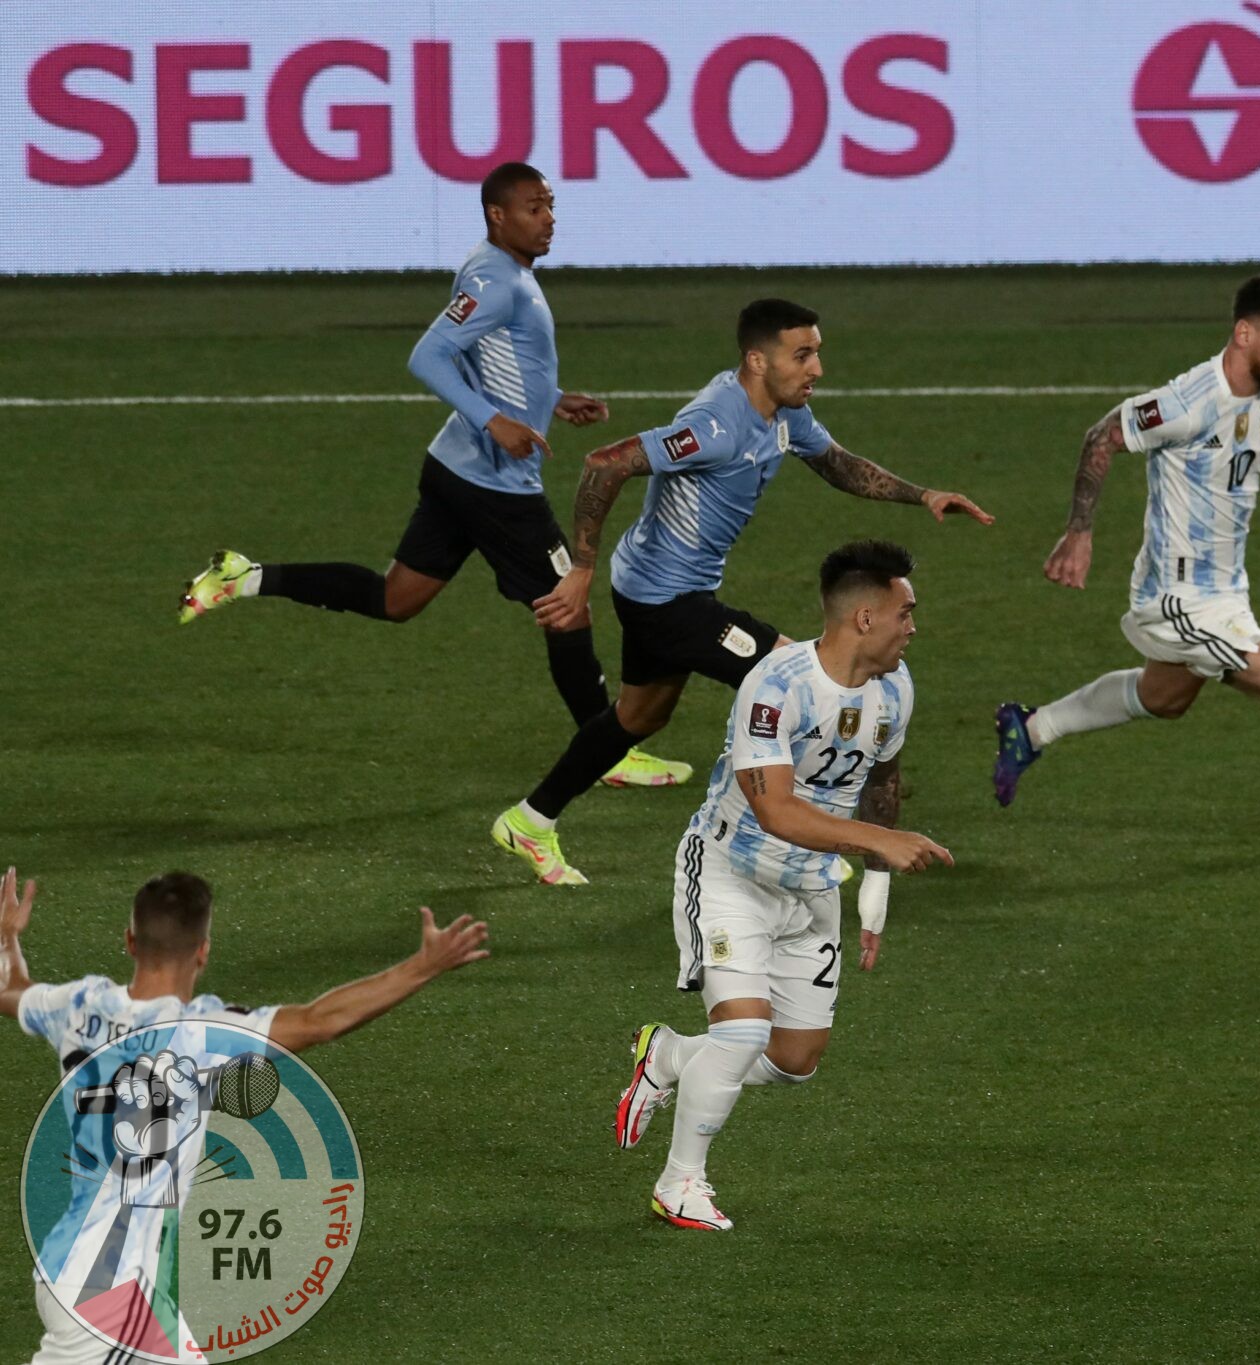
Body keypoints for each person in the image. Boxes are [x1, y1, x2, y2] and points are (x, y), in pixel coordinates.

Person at [172, 160, 687, 789]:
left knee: (397, 599)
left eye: (551, 205)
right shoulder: (499, 280)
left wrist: (549, 399)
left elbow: (488, 355)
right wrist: (495, 421)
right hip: (495, 486)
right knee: (566, 606)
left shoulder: (490, 268)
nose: (548, 219)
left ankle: (245, 577)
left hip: (454, 469)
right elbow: (428, 356)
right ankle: (608, 752)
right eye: (534, 207)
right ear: (498, 214)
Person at [490, 300, 991, 885]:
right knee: (796, 675)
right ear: (758, 360)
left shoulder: (783, 412)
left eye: (817, 353)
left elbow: (835, 463)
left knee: (638, 716)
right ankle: (803, 842)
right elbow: (605, 463)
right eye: (802, 355)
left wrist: (923, 495)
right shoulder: (716, 425)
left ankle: (529, 820)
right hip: (667, 599)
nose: (817, 368)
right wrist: (580, 569)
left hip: (658, 585)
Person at [993, 272, 1260, 833]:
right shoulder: (1189, 401)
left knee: (1165, 697)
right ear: (1245, 333)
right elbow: (1102, 435)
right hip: (1176, 599)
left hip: (1226, 591)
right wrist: (1079, 532)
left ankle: (1028, 730)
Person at [0, 865, 488, 1363]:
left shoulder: (78, 1005)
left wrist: (6, 942)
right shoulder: (198, 1031)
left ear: (130, 941)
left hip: (90, 1271)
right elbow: (321, 1021)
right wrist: (422, 966)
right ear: (204, 951)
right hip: (111, 1288)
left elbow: (9, 991)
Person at [611, 541, 950, 1231]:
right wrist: (876, 841)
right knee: (742, 1032)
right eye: (904, 611)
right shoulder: (775, 685)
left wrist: (875, 889)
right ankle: (680, 1183)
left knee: (794, 1060)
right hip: (732, 870)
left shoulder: (896, 688)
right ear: (864, 616)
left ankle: (669, 1056)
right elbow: (775, 808)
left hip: (812, 887)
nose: (913, 624)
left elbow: (882, 779)